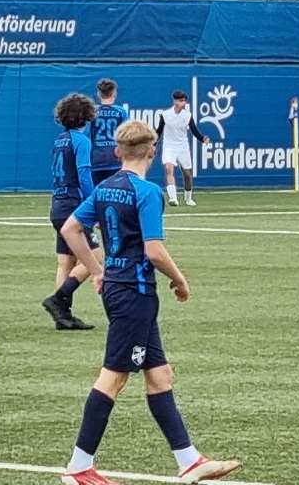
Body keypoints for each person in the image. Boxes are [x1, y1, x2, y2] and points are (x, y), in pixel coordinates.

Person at [58, 120, 241, 485]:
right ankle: (79, 467)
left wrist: (97, 270)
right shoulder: (148, 192)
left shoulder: (105, 188)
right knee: (114, 377)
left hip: (120, 289)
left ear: (117, 152)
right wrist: (179, 278)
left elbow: (71, 229)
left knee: (159, 374)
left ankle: (189, 460)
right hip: (134, 292)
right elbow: (154, 251)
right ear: (153, 152)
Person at [43, 93, 101, 331]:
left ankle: (62, 315)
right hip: (73, 205)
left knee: (66, 261)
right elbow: (84, 175)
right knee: (94, 257)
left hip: (58, 203)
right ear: (86, 116)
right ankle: (58, 301)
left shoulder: (60, 140)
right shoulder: (81, 141)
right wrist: (94, 205)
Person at [156, 90, 210, 207]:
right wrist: (153, 144)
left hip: (183, 147)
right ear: (175, 101)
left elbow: (194, 131)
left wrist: (202, 139)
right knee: (169, 169)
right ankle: (173, 198)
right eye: (181, 101)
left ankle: (188, 198)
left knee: (187, 174)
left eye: (184, 101)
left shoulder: (187, 116)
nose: (183, 103)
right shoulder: (165, 115)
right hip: (169, 147)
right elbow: (159, 132)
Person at [88, 79, 129, 186]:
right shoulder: (121, 112)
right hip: (116, 159)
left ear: (98, 93)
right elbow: (126, 136)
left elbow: (87, 135)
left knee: (96, 192)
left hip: (96, 159)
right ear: (114, 93)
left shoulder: (92, 112)